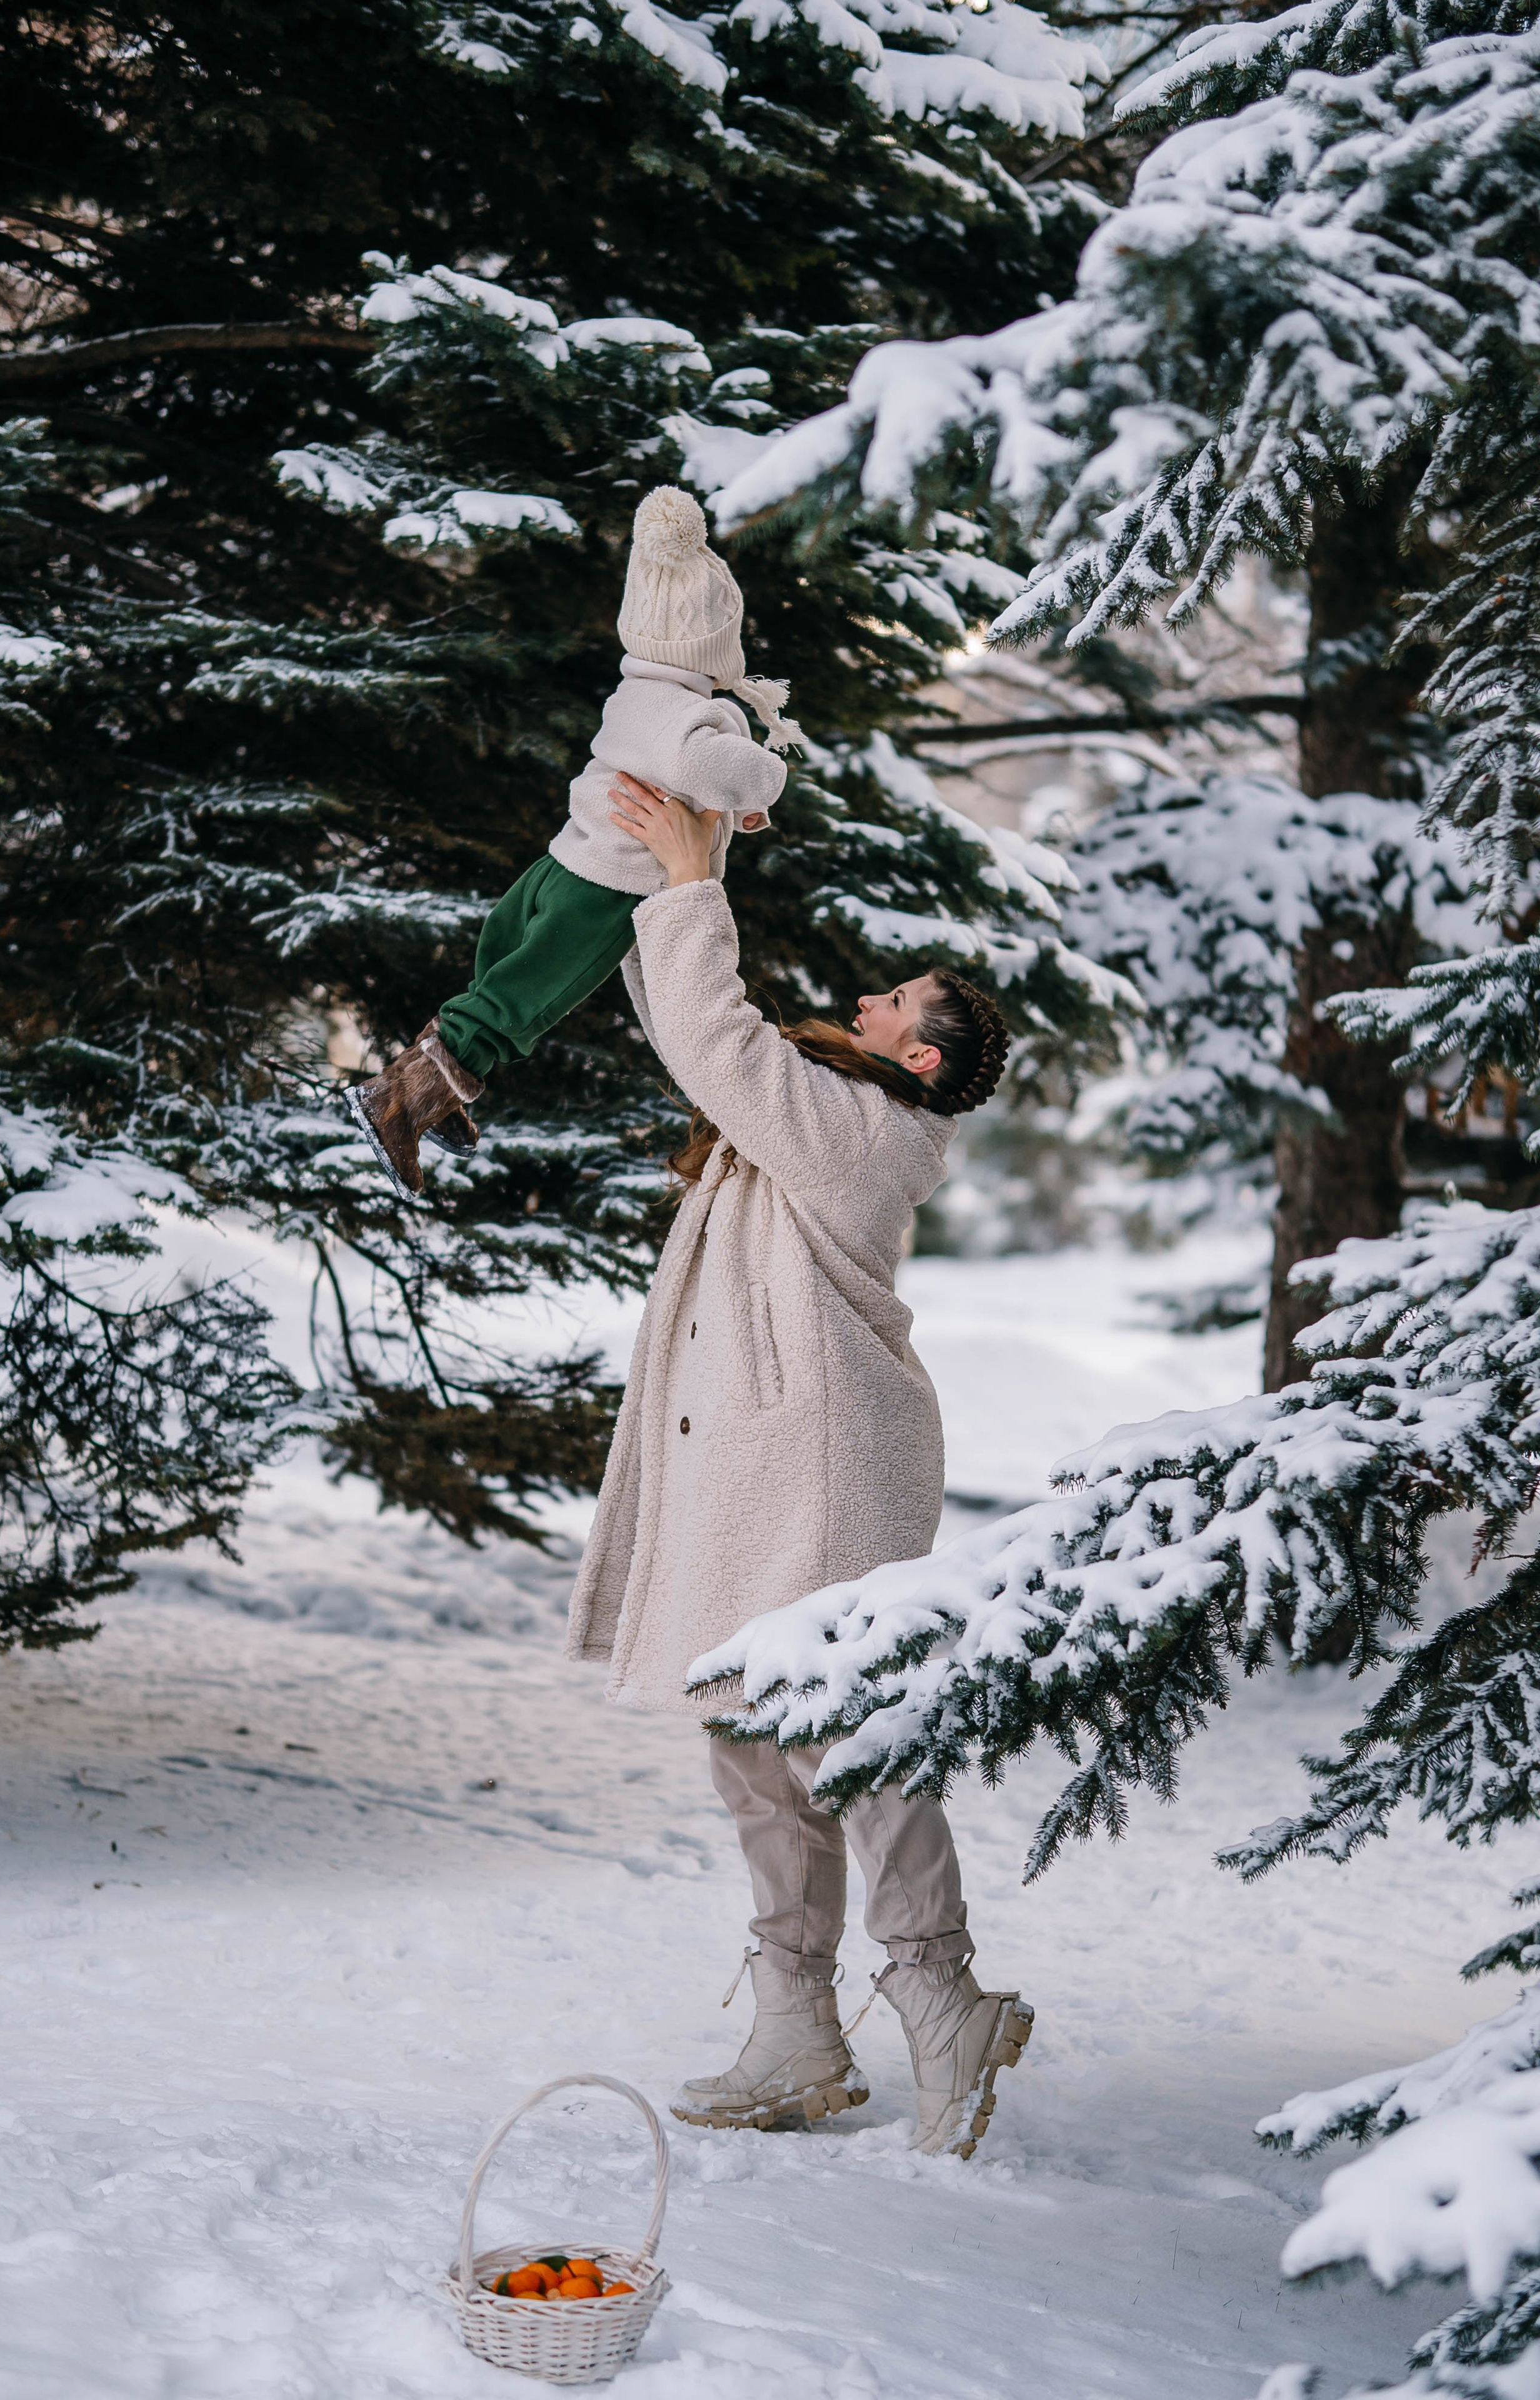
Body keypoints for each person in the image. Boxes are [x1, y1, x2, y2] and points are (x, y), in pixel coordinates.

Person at [568, 771, 1034, 2161]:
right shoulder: (819, 1108)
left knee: (850, 1732)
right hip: (761, 1468)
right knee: (748, 1734)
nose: (873, 1004)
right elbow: (689, 1025)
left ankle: (942, 1997)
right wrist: (676, 863)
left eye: (901, 1005)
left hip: (823, 1465)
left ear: (928, 1063)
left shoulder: (870, 1133)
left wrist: (696, 876)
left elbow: (718, 1040)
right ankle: (795, 2032)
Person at [344, 486, 799, 1201]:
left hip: (564, 861)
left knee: (503, 974)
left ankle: (435, 1093)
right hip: (608, 888)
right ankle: (397, 1103)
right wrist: (766, 777)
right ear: (714, 646)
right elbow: (714, 766)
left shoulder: (637, 691)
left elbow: (682, 769)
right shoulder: (692, 713)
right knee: (529, 1000)